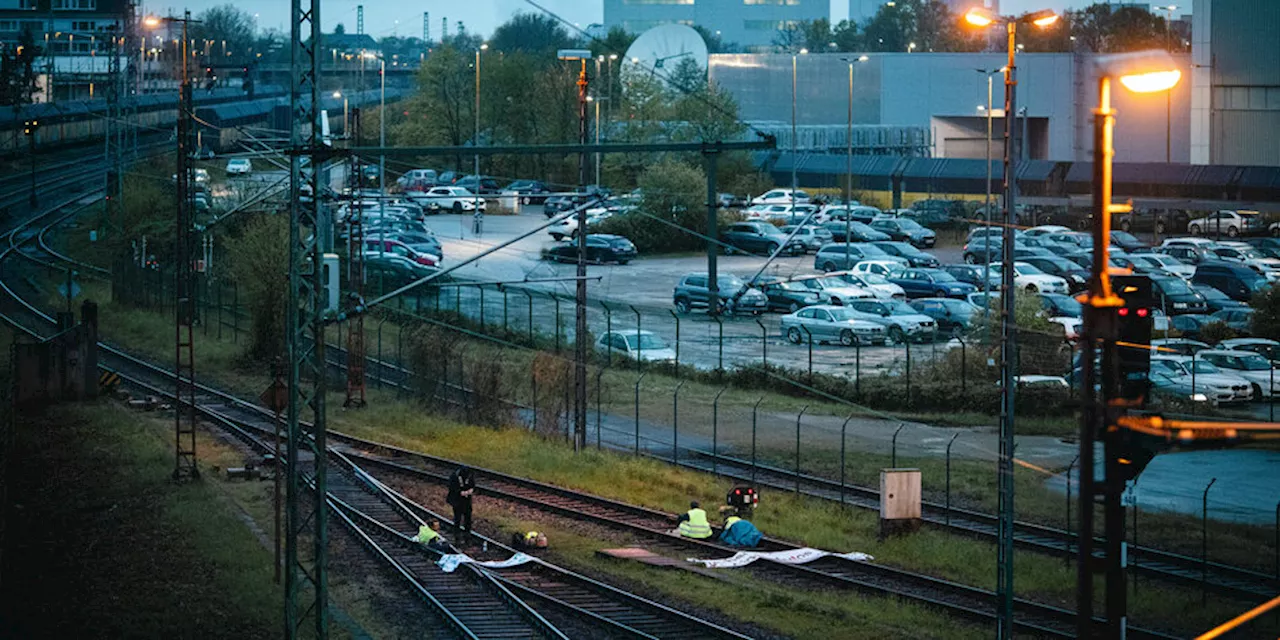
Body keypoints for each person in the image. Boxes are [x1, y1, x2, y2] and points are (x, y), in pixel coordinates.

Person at [447, 466, 476, 538]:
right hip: (457, 500)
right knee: (457, 518)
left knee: (468, 518)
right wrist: (460, 493)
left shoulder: (470, 475)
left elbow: (473, 484)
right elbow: (451, 488)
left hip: (467, 500)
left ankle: (467, 534)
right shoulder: (454, 476)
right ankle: (456, 535)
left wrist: (470, 490)